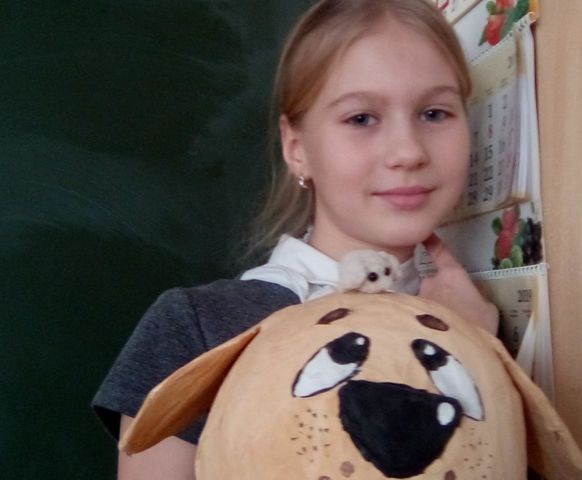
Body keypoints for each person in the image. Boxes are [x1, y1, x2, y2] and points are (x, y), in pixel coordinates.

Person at [92, 1, 499, 478]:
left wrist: (472, 351)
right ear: (297, 148)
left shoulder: (480, 319)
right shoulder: (197, 329)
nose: (408, 151)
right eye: (361, 118)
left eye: (434, 113)